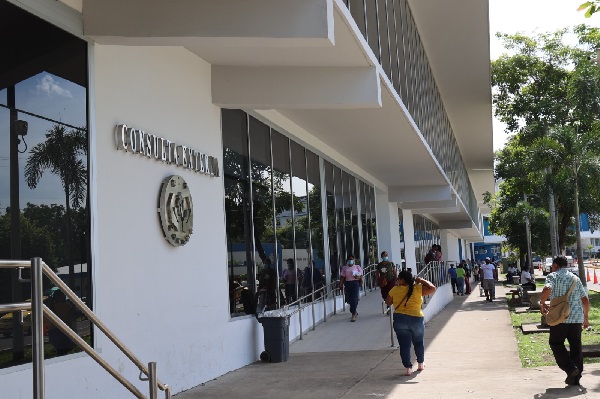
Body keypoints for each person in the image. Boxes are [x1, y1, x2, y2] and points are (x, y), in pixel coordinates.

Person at [540, 255, 590, 386]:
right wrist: (586, 318)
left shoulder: (553, 276)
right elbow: (585, 299)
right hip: (576, 318)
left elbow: (547, 289)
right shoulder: (575, 278)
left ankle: (570, 368)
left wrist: (542, 302)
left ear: (555, 265)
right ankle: (576, 377)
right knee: (576, 346)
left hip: (560, 318)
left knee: (556, 343)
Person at [385, 270, 436, 376]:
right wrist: (421, 280)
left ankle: (408, 368)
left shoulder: (395, 289)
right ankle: (420, 364)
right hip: (416, 318)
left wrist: (396, 292)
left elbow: (388, 302)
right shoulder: (418, 288)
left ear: (403, 279)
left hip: (400, 319)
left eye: (398, 278)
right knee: (418, 342)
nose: (397, 280)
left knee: (404, 345)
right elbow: (432, 288)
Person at [45, 290, 80, 355]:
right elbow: (75, 315)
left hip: (52, 332)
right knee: (65, 351)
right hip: (62, 332)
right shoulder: (65, 306)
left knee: (61, 352)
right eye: (63, 296)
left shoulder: (51, 305)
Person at [339, 255, 363, 322]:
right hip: (347, 283)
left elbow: (361, 274)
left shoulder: (357, 267)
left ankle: (353, 314)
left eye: (351, 259)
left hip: (355, 283)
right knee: (349, 299)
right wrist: (341, 284)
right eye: (349, 259)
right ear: (347, 260)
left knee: (354, 298)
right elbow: (342, 276)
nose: (350, 260)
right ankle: (353, 309)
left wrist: (358, 277)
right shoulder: (344, 268)